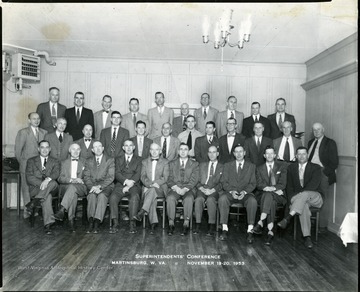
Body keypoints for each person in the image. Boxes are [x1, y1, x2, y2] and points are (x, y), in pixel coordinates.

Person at [277, 146, 323, 249]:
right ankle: (307, 237)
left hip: (315, 197)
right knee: (304, 206)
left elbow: (313, 186)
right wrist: (295, 198)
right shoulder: (291, 168)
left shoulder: (316, 168)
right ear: (296, 156)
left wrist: (299, 196)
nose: (302, 156)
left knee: (306, 194)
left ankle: (288, 217)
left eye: (304, 154)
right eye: (299, 154)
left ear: (307, 155)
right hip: (299, 200)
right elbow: (289, 188)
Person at [218, 144, 257, 243]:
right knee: (222, 199)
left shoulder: (251, 166)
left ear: (244, 153)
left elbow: (253, 183)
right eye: (236, 152)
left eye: (241, 151)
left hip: (246, 193)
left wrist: (244, 192)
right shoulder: (227, 165)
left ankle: (250, 230)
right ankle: (224, 228)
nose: (239, 154)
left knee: (252, 201)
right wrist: (231, 191)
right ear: (234, 154)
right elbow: (223, 182)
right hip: (231, 192)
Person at [253, 146, 287, 245]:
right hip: (265, 195)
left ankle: (260, 221)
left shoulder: (282, 167)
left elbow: (283, 184)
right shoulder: (259, 168)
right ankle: (270, 232)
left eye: (271, 153)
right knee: (270, 200)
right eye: (267, 153)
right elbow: (259, 184)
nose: (269, 155)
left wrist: (271, 188)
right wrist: (273, 189)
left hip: (279, 196)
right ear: (264, 155)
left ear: (275, 155)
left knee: (269, 196)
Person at [307, 122, 338, 230]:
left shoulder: (330, 142)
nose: (316, 131)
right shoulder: (310, 142)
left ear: (323, 130)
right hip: (311, 173)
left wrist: (324, 172)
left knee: (323, 198)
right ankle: (311, 223)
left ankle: (322, 226)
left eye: (318, 129)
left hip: (322, 172)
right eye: (314, 130)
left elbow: (334, 162)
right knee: (310, 196)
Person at [133, 143, 170, 234]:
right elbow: (143, 176)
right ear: (149, 151)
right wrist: (150, 185)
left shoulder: (165, 162)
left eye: (156, 149)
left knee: (152, 191)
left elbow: (165, 177)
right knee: (152, 196)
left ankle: (142, 211)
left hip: (160, 188)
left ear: (160, 151)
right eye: (152, 149)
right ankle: (153, 224)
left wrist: (155, 184)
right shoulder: (144, 162)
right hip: (148, 187)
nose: (154, 152)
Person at [25, 140, 60, 234]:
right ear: (38, 149)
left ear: (50, 149)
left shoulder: (55, 161)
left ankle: (34, 202)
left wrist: (47, 180)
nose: (45, 149)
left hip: (51, 187)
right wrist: (42, 183)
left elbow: (56, 173)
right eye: (42, 147)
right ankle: (48, 225)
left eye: (47, 147)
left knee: (53, 183)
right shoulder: (31, 161)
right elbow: (29, 177)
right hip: (36, 188)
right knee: (47, 197)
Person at [15, 112, 48, 212]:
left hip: (40, 166)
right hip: (26, 165)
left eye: (38, 119)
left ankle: (37, 211)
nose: (36, 121)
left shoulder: (44, 133)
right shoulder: (23, 132)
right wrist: (23, 163)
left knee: (39, 187)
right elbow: (18, 152)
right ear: (29, 120)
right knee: (26, 187)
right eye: (34, 119)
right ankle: (27, 210)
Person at [109, 140, 142, 234]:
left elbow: (138, 174)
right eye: (126, 146)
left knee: (135, 197)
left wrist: (130, 184)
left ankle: (132, 223)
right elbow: (117, 173)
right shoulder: (118, 159)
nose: (128, 147)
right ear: (123, 147)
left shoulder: (139, 159)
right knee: (113, 197)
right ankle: (115, 222)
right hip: (120, 184)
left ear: (134, 147)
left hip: (134, 185)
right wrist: (125, 181)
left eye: (130, 145)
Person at [166, 143, 199, 236]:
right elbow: (169, 178)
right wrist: (176, 187)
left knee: (189, 199)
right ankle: (171, 223)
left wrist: (185, 189)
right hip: (175, 188)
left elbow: (194, 179)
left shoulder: (195, 164)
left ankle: (186, 223)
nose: (183, 151)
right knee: (170, 198)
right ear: (178, 151)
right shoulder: (172, 163)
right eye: (181, 149)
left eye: (185, 149)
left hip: (188, 189)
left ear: (188, 151)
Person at [53, 143, 87, 232]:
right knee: (73, 192)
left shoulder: (85, 162)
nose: (75, 151)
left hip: (81, 187)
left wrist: (81, 180)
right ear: (69, 151)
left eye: (78, 149)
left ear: (80, 151)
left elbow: (89, 177)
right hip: (67, 187)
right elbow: (60, 178)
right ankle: (71, 221)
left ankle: (62, 209)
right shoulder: (64, 162)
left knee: (73, 189)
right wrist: (71, 180)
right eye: (73, 149)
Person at [83, 141, 115, 234]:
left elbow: (110, 177)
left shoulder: (110, 160)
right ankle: (91, 221)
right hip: (92, 186)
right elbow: (86, 177)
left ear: (103, 148)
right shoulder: (88, 161)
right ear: (92, 150)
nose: (98, 149)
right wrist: (92, 187)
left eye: (99, 146)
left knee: (101, 196)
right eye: (95, 147)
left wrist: (100, 187)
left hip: (106, 186)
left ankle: (97, 222)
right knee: (92, 196)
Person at [193, 145, 224, 236]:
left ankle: (211, 225)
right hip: (202, 188)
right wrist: (201, 188)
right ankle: (198, 224)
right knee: (198, 199)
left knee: (211, 200)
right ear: (207, 154)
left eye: (214, 152)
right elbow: (197, 180)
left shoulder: (222, 166)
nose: (212, 154)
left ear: (217, 154)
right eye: (210, 152)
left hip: (214, 190)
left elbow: (223, 183)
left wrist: (213, 190)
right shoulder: (202, 165)